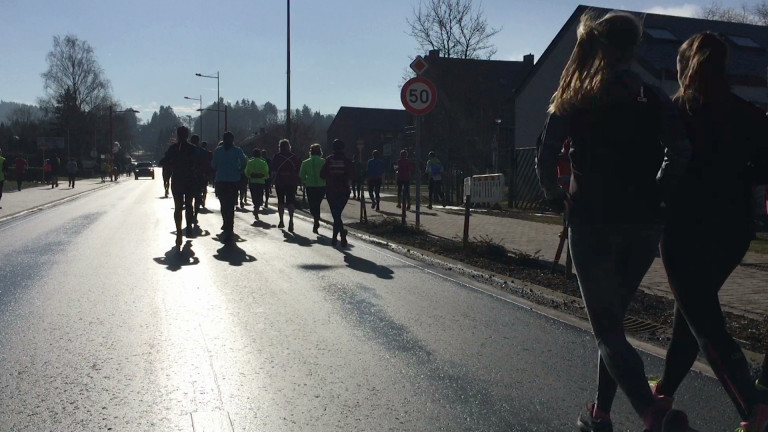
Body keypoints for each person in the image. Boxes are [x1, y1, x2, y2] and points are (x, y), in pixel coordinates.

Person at [536, 10, 691, 432]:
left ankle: (653, 413)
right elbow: (679, 152)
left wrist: (555, 198)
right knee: (614, 325)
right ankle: (600, 414)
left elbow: (545, 156)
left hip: (593, 221)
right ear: (635, 46)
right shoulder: (654, 94)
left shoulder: (576, 94)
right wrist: (658, 192)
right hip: (644, 225)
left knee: (607, 328)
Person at [649, 32, 768, 432]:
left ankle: (753, 408)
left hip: (683, 231)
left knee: (704, 321)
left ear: (685, 67)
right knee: (693, 311)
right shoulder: (750, 115)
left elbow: (655, 168)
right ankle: (664, 389)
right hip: (733, 233)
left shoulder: (675, 112)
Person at [161, 126, 199, 248]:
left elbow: (162, 162)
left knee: (178, 207)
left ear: (177, 135)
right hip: (190, 180)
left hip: (177, 180)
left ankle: (179, 231)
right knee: (189, 204)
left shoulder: (173, 149)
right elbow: (200, 162)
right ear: (187, 135)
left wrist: (172, 164)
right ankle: (188, 228)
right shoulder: (192, 149)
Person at [212, 132, 247, 243]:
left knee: (223, 204)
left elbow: (213, 165)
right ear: (232, 140)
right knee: (231, 205)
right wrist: (240, 170)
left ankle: (226, 222)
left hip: (221, 181)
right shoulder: (237, 151)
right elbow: (244, 161)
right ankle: (230, 226)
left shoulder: (218, 151)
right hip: (233, 181)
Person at [321, 139, 354, 246]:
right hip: (344, 191)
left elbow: (322, 174)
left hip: (331, 191)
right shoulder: (347, 161)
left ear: (333, 148)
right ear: (343, 148)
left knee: (336, 214)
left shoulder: (329, 160)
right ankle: (338, 236)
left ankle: (338, 236)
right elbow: (352, 174)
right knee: (337, 214)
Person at [271, 139, 301, 231]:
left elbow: (273, 170)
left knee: (281, 201)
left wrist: (271, 181)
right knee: (290, 201)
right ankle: (291, 220)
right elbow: (298, 169)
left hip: (280, 181)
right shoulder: (294, 157)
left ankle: (281, 221)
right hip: (291, 182)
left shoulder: (277, 156)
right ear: (289, 146)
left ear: (280, 147)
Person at [300, 143, 327, 233]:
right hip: (322, 186)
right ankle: (316, 219)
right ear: (320, 152)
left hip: (310, 186)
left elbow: (301, 175)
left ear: (311, 152)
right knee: (317, 203)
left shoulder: (305, 162)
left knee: (312, 205)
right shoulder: (324, 161)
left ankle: (316, 219)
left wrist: (304, 180)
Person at [244, 148, 269, 221]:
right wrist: (264, 177)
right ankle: (257, 206)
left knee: (254, 195)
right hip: (261, 182)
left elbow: (246, 172)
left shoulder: (250, 162)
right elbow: (266, 172)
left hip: (252, 181)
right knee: (260, 194)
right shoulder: (263, 162)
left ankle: (255, 206)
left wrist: (250, 175)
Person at [199, 141, 213, 208]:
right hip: (205, 173)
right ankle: (203, 200)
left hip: (199, 173)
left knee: (200, 188)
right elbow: (210, 164)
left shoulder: (198, 152)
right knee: (204, 188)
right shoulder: (208, 153)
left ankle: (201, 198)